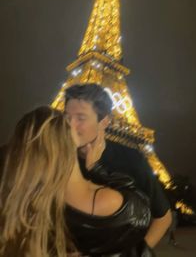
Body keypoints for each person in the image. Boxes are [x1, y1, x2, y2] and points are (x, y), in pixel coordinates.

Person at [0, 106, 153, 257]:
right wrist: (96, 168)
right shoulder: (106, 200)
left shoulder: (31, 207)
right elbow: (142, 212)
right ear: (68, 141)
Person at [64, 83, 172, 250]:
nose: (70, 126)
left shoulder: (131, 160)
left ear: (104, 121)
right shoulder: (58, 160)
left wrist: (136, 254)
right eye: (67, 117)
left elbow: (163, 218)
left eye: (81, 118)